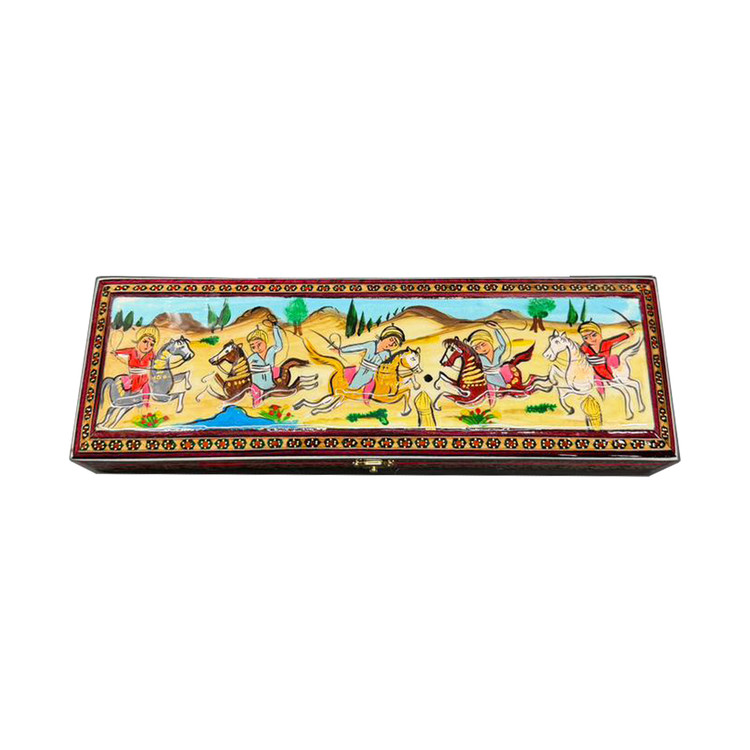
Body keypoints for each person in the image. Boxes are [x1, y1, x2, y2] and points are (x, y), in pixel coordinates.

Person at [336, 325, 405, 400]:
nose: (391, 344)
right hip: (362, 370)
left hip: (374, 374)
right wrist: (341, 350)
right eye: (391, 339)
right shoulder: (371, 344)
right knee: (355, 385)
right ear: (384, 336)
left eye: (395, 344)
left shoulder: (387, 354)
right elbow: (358, 347)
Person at [578, 321, 630, 394]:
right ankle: (603, 396)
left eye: (594, 335)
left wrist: (628, 335)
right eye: (586, 338)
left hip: (609, 369)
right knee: (598, 384)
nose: (591, 339)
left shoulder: (606, 343)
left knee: (612, 359)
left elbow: (619, 338)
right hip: (596, 371)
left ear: (600, 334)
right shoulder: (584, 348)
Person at [113, 325, 159, 407]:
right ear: (139, 341)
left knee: (146, 393)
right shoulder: (131, 351)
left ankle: (144, 406)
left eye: (151, 344)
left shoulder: (151, 354)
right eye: (145, 341)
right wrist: (115, 353)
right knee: (125, 387)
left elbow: (157, 361)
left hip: (144, 379)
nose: (147, 346)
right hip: (132, 377)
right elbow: (118, 352)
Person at [467, 321, 508, 405]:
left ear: (489, 341)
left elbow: (503, 345)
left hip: (499, 377)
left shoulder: (497, 353)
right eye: (477, 348)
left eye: (483, 344)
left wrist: (496, 330)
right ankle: (492, 405)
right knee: (491, 392)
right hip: (488, 379)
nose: (482, 349)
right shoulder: (479, 358)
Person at [246, 320, 284, 406]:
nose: (257, 348)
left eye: (259, 344)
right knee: (255, 395)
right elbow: (247, 367)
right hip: (257, 384)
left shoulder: (271, 351)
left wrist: (275, 328)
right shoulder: (252, 358)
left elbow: (279, 345)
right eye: (253, 347)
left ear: (265, 341)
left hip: (270, 382)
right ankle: (257, 406)